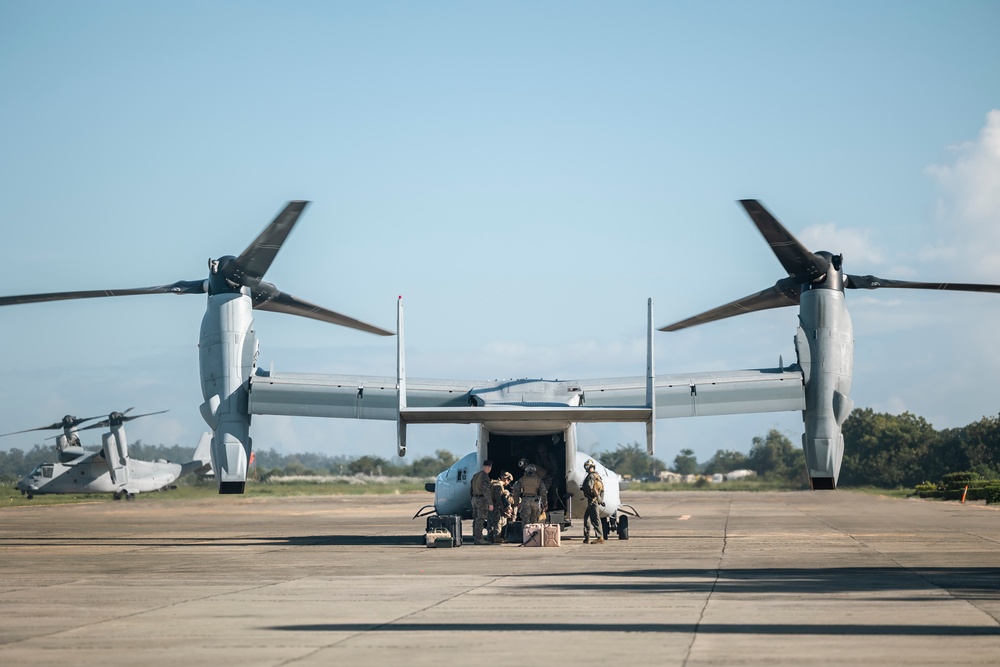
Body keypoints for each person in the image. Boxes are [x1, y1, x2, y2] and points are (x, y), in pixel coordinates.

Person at [581, 458, 605, 544]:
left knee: (595, 519)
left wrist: (585, 490)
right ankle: (587, 537)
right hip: (593, 500)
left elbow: (591, 488)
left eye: (588, 466)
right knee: (586, 518)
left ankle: (600, 537)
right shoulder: (597, 475)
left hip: (592, 500)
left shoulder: (591, 476)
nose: (587, 468)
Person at [470, 459, 493, 545]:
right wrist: (490, 503)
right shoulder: (484, 476)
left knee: (476, 519)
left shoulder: (476, 475)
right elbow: (486, 491)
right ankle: (479, 538)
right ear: (488, 467)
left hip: (475, 499)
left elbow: (471, 488)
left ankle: (476, 537)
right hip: (481, 500)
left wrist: (472, 498)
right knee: (481, 519)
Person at [487, 471, 514, 543]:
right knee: (498, 522)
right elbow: (499, 500)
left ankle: (490, 537)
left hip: (490, 505)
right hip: (495, 506)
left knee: (490, 522)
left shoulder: (493, 484)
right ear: (506, 479)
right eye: (509, 481)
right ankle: (497, 538)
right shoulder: (498, 486)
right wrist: (505, 510)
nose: (508, 483)